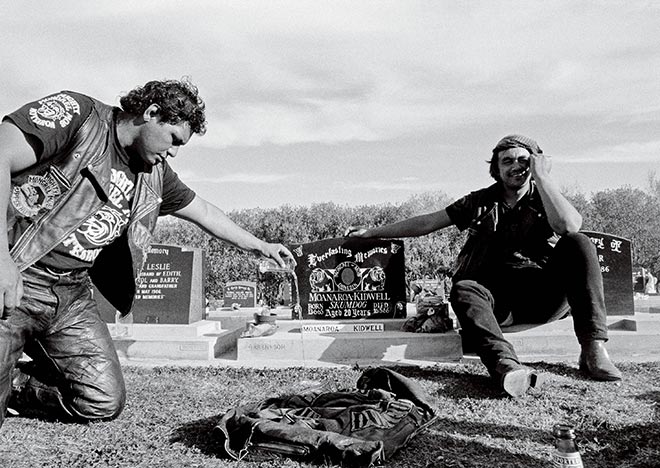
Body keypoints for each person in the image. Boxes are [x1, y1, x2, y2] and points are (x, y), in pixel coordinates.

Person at [0, 79, 294, 428]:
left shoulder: (154, 174)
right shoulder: (79, 117)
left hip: (70, 294)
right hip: (20, 273)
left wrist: (260, 245)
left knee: (103, 398)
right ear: (151, 113)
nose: (173, 152)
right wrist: (2, 259)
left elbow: (205, 212)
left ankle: (17, 387)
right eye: (174, 139)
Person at [346, 134, 622, 397]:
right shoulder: (479, 202)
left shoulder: (545, 198)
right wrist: (372, 232)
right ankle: (505, 365)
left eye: (524, 161)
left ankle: (593, 348)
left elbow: (569, 226)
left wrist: (543, 178)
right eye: (507, 161)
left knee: (579, 242)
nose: (516, 166)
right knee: (464, 288)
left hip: (541, 298)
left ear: (536, 163)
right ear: (496, 168)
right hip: (493, 301)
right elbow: (427, 222)